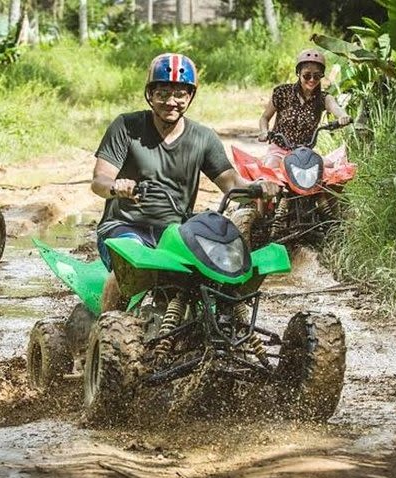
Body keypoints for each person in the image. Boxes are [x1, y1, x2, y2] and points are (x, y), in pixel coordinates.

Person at [91, 53, 279, 312]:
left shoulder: (202, 138)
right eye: (163, 93)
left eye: (180, 94)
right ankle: (108, 330)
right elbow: (99, 180)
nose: (171, 102)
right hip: (125, 226)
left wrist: (259, 187)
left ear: (190, 96)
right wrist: (116, 186)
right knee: (129, 265)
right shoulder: (126, 126)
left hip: (176, 233)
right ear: (150, 94)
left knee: (210, 278)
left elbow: (232, 184)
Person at [258, 49, 351, 168]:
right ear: (298, 73)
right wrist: (264, 132)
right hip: (279, 151)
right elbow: (264, 118)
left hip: (305, 154)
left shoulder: (323, 98)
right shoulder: (282, 93)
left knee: (330, 170)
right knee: (271, 168)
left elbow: (336, 108)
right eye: (307, 75)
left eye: (317, 76)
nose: (312, 80)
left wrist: (343, 116)